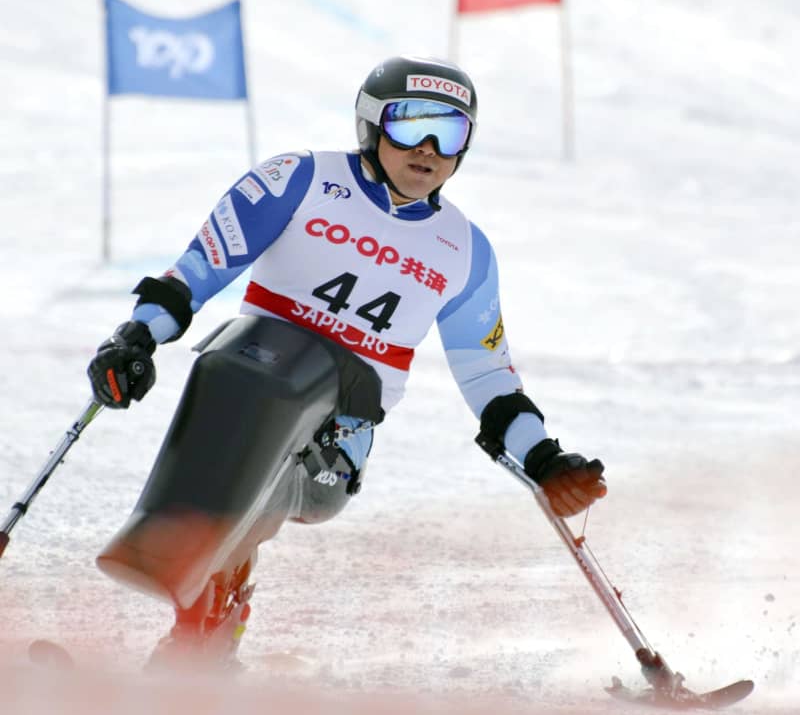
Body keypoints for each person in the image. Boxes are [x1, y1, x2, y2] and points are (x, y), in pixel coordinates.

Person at [87, 55, 607, 670]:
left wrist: (545, 459)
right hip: (242, 384)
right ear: (371, 126)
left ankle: (203, 619)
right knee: (237, 364)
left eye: (453, 133)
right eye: (412, 127)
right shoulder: (296, 179)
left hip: (334, 441)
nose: (431, 150)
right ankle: (193, 610)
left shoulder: (464, 249)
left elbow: (490, 378)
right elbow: (197, 271)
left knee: (272, 421)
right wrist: (134, 341)